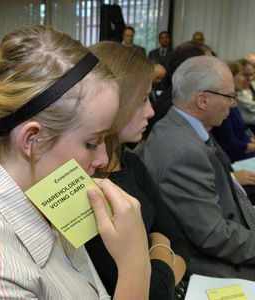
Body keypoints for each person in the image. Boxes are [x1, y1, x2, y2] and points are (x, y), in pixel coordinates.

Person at [0, 25, 150, 299]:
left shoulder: (52, 194)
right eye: (91, 143)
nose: (103, 158)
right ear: (33, 140)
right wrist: (135, 264)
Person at [85, 41, 188, 300]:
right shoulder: (85, 188)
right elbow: (150, 294)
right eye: (142, 100)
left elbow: (181, 244)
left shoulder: (130, 162)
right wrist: (160, 246)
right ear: (113, 103)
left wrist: (158, 262)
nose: (151, 112)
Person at [143, 55, 255, 280]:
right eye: (229, 96)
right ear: (203, 100)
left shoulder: (178, 126)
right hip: (213, 264)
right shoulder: (184, 150)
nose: (233, 103)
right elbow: (213, 236)